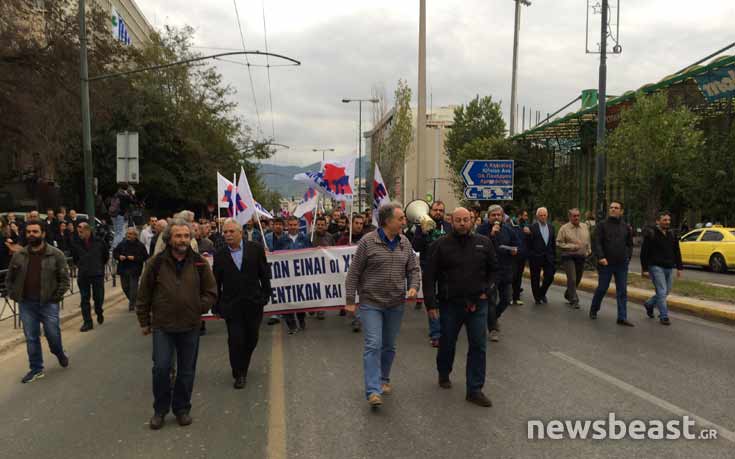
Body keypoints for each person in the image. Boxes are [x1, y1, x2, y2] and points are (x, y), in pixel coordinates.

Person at [135, 219, 217, 430]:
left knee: (186, 371)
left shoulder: (199, 263)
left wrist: (198, 306)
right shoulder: (156, 263)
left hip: (190, 326)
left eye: (186, 236)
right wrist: (144, 321)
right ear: (169, 239)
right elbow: (143, 294)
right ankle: (160, 410)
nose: (182, 240)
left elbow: (211, 292)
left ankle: (182, 409)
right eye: (178, 236)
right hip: (163, 326)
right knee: (161, 369)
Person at [345, 202, 420, 407]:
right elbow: (354, 273)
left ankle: (384, 378)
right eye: (401, 218)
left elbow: (413, 269)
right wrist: (350, 300)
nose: (404, 221)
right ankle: (373, 391)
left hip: (395, 303)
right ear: (388, 221)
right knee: (373, 344)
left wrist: (413, 287)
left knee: (389, 345)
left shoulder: (405, 242)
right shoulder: (368, 242)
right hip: (371, 303)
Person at [423, 208, 497, 407]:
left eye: (466, 220)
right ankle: (444, 372)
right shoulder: (440, 245)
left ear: (472, 221)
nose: (463, 223)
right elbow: (429, 277)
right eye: (458, 220)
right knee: (447, 342)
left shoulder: (484, 243)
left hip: (477, 304)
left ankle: (475, 389)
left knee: (478, 346)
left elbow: (493, 272)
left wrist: (486, 292)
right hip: (450, 305)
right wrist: (431, 304)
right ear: (451, 221)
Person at [6, 220, 71, 383]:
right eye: (28, 232)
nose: (31, 235)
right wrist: (13, 294)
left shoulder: (56, 254)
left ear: (43, 233)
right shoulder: (19, 255)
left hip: (48, 303)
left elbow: (64, 280)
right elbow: (10, 278)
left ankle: (59, 353)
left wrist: (56, 297)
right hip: (26, 303)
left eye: (35, 232)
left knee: (53, 335)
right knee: (31, 337)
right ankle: (36, 369)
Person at [213, 219, 272, 389]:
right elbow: (216, 282)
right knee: (235, 340)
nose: (228, 235)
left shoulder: (256, 249)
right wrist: (216, 305)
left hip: (253, 303)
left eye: (231, 231)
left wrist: (266, 294)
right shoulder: (219, 254)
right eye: (225, 232)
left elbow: (264, 273)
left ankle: (243, 364)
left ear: (240, 233)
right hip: (231, 305)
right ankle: (239, 373)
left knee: (252, 338)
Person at [410, 200, 451, 346]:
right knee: (431, 300)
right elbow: (416, 247)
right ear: (430, 211)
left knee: (445, 299)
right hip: (428, 268)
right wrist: (423, 233)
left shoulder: (448, 227)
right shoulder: (421, 227)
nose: (438, 213)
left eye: (441, 210)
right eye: (435, 210)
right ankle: (436, 334)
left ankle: (444, 329)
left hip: (446, 269)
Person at [478, 205, 520, 342]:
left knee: (506, 299)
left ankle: (492, 317)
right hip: (489, 272)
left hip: (505, 270)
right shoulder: (482, 229)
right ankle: (493, 329)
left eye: (499, 215)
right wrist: (492, 234)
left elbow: (517, 244)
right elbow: (479, 246)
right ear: (488, 217)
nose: (496, 218)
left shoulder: (508, 230)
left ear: (502, 217)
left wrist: (515, 250)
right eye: (493, 215)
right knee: (491, 300)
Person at [589, 201, 634, 326]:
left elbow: (629, 244)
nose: (613, 209)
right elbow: (596, 242)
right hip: (606, 263)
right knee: (602, 288)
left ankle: (622, 317)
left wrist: (628, 257)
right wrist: (601, 257)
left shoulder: (626, 227)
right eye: (611, 208)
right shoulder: (602, 225)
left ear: (621, 211)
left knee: (622, 291)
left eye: (616, 208)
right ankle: (594, 309)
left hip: (621, 264)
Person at [640, 211, 683, 326]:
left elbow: (677, 251)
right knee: (662, 291)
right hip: (655, 266)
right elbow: (644, 252)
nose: (667, 222)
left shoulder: (672, 235)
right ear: (658, 221)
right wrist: (644, 269)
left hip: (669, 267)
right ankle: (664, 316)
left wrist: (679, 267)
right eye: (664, 220)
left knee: (666, 291)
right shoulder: (651, 234)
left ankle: (649, 304)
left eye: (668, 220)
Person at [70, 222, 109, 332]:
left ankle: (99, 311)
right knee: (84, 299)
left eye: (81, 232)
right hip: (83, 274)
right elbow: (75, 258)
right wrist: (82, 265)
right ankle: (87, 322)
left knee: (98, 297)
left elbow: (105, 256)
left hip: (97, 273)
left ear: (88, 231)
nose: (80, 234)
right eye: (78, 232)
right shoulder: (76, 243)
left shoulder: (99, 242)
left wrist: (99, 266)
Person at [556, 208, 591, 309]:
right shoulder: (564, 228)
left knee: (578, 279)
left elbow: (588, 240)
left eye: (578, 215)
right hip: (568, 257)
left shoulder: (584, 226)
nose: (576, 218)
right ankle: (574, 299)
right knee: (572, 278)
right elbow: (558, 243)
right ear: (569, 217)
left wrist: (588, 250)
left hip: (581, 257)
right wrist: (571, 246)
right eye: (574, 216)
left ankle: (568, 293)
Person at [282, 216, 311, 333]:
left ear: (299, 225)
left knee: (300, 298)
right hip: (286, 276)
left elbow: (312, 253)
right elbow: (275, 254)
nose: (293, 227)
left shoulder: (305, 239)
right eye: (291, 225)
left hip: (300, 276)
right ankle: (291, 324)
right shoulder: (282, 240)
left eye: (295, 225)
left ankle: (301, 319)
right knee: (286, 299)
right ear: (287, 225)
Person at [113, 227, 149, 311]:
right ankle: (136, 301)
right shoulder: (122, 243)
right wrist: (119, 257)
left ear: (135, 235)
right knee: (125, 287)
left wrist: (134, 258)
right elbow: (115, 252)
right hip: (123, 268)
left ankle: (132, 304)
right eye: (127, 234)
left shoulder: (140, 245)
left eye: (130, 234)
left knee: (133, 288)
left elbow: (145, 256)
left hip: (134, 269)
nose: (128, 235)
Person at [527, 207, 556, 305]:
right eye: (541, 215)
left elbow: (552, 243)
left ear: (547, 216)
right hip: (535, 257)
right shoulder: (532, 227)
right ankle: (537, 297)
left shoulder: (551, 227)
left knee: (550, 276)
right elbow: (528, 243)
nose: (543, 217)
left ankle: (541, 293)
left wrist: (554, 257)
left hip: (548, 257)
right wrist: (530, 255)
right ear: (537, 216)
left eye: (545, 215)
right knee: (535, 278)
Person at [311, 216, 335, 321]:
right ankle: (312, 306)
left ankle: (321, 310)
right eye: (318, 225)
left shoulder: (330, 237)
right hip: (312, 267)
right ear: (315, 225)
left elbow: (334, 251)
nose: (320, 227)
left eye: (322, 225)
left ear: (326, 226)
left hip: (326, 268)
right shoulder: (310, 236)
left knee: (323, 289)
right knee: (314, 289)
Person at [510, 209, 530, 305]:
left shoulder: (525, 226)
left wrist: (529, 233)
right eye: (525, 216)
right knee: (512, 276)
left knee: (518, 277)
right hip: (513, 255)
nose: (526, 218)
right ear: (519, 216)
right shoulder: (511, 225)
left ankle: (516, 297)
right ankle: (509, 296)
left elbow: (528, 240)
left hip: (522, 255)